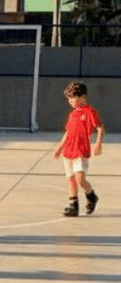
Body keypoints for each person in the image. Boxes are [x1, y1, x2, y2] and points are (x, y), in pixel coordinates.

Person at [52, 81, 104, 217]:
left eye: (73, 98)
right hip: (68, 151)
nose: (71, 101)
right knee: (71, 179)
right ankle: (73, 206)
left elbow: (100, 128)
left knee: (80, 179)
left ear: (82, 97)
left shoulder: (89, 112)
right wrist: (59, 148)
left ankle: (91, 196)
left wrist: (98, 143)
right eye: (69, 98)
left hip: (81, 151)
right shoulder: (72, 114)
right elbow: (68, 133)